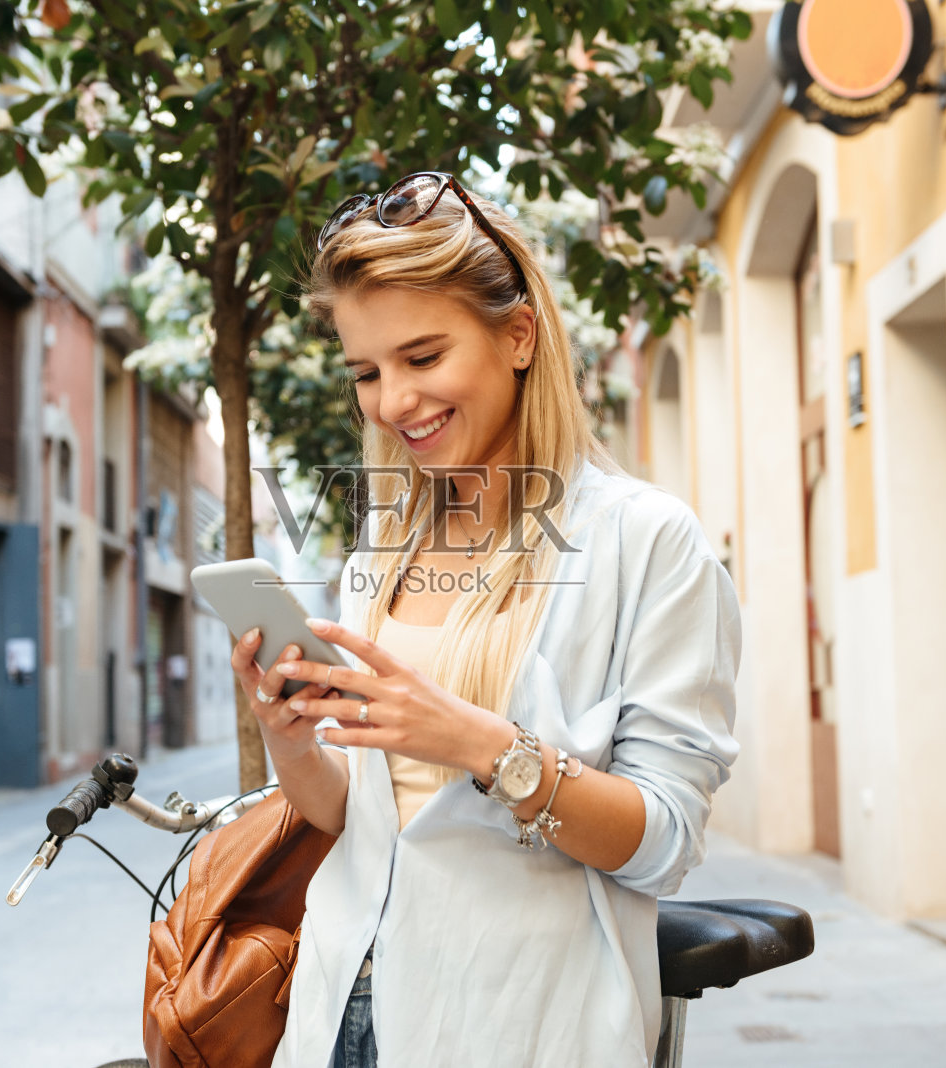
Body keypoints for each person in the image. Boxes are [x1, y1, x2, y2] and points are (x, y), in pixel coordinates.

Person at [228, 173, 741, 1068]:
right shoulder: (382, 549)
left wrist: (481, 746)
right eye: (367, 372)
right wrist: (294, 742)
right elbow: (356, 820)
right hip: (342, 1004)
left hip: (515, 1021)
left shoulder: (646, 541)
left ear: (517, 334)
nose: (393, 401)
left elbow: (663, 844)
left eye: (423, 359)